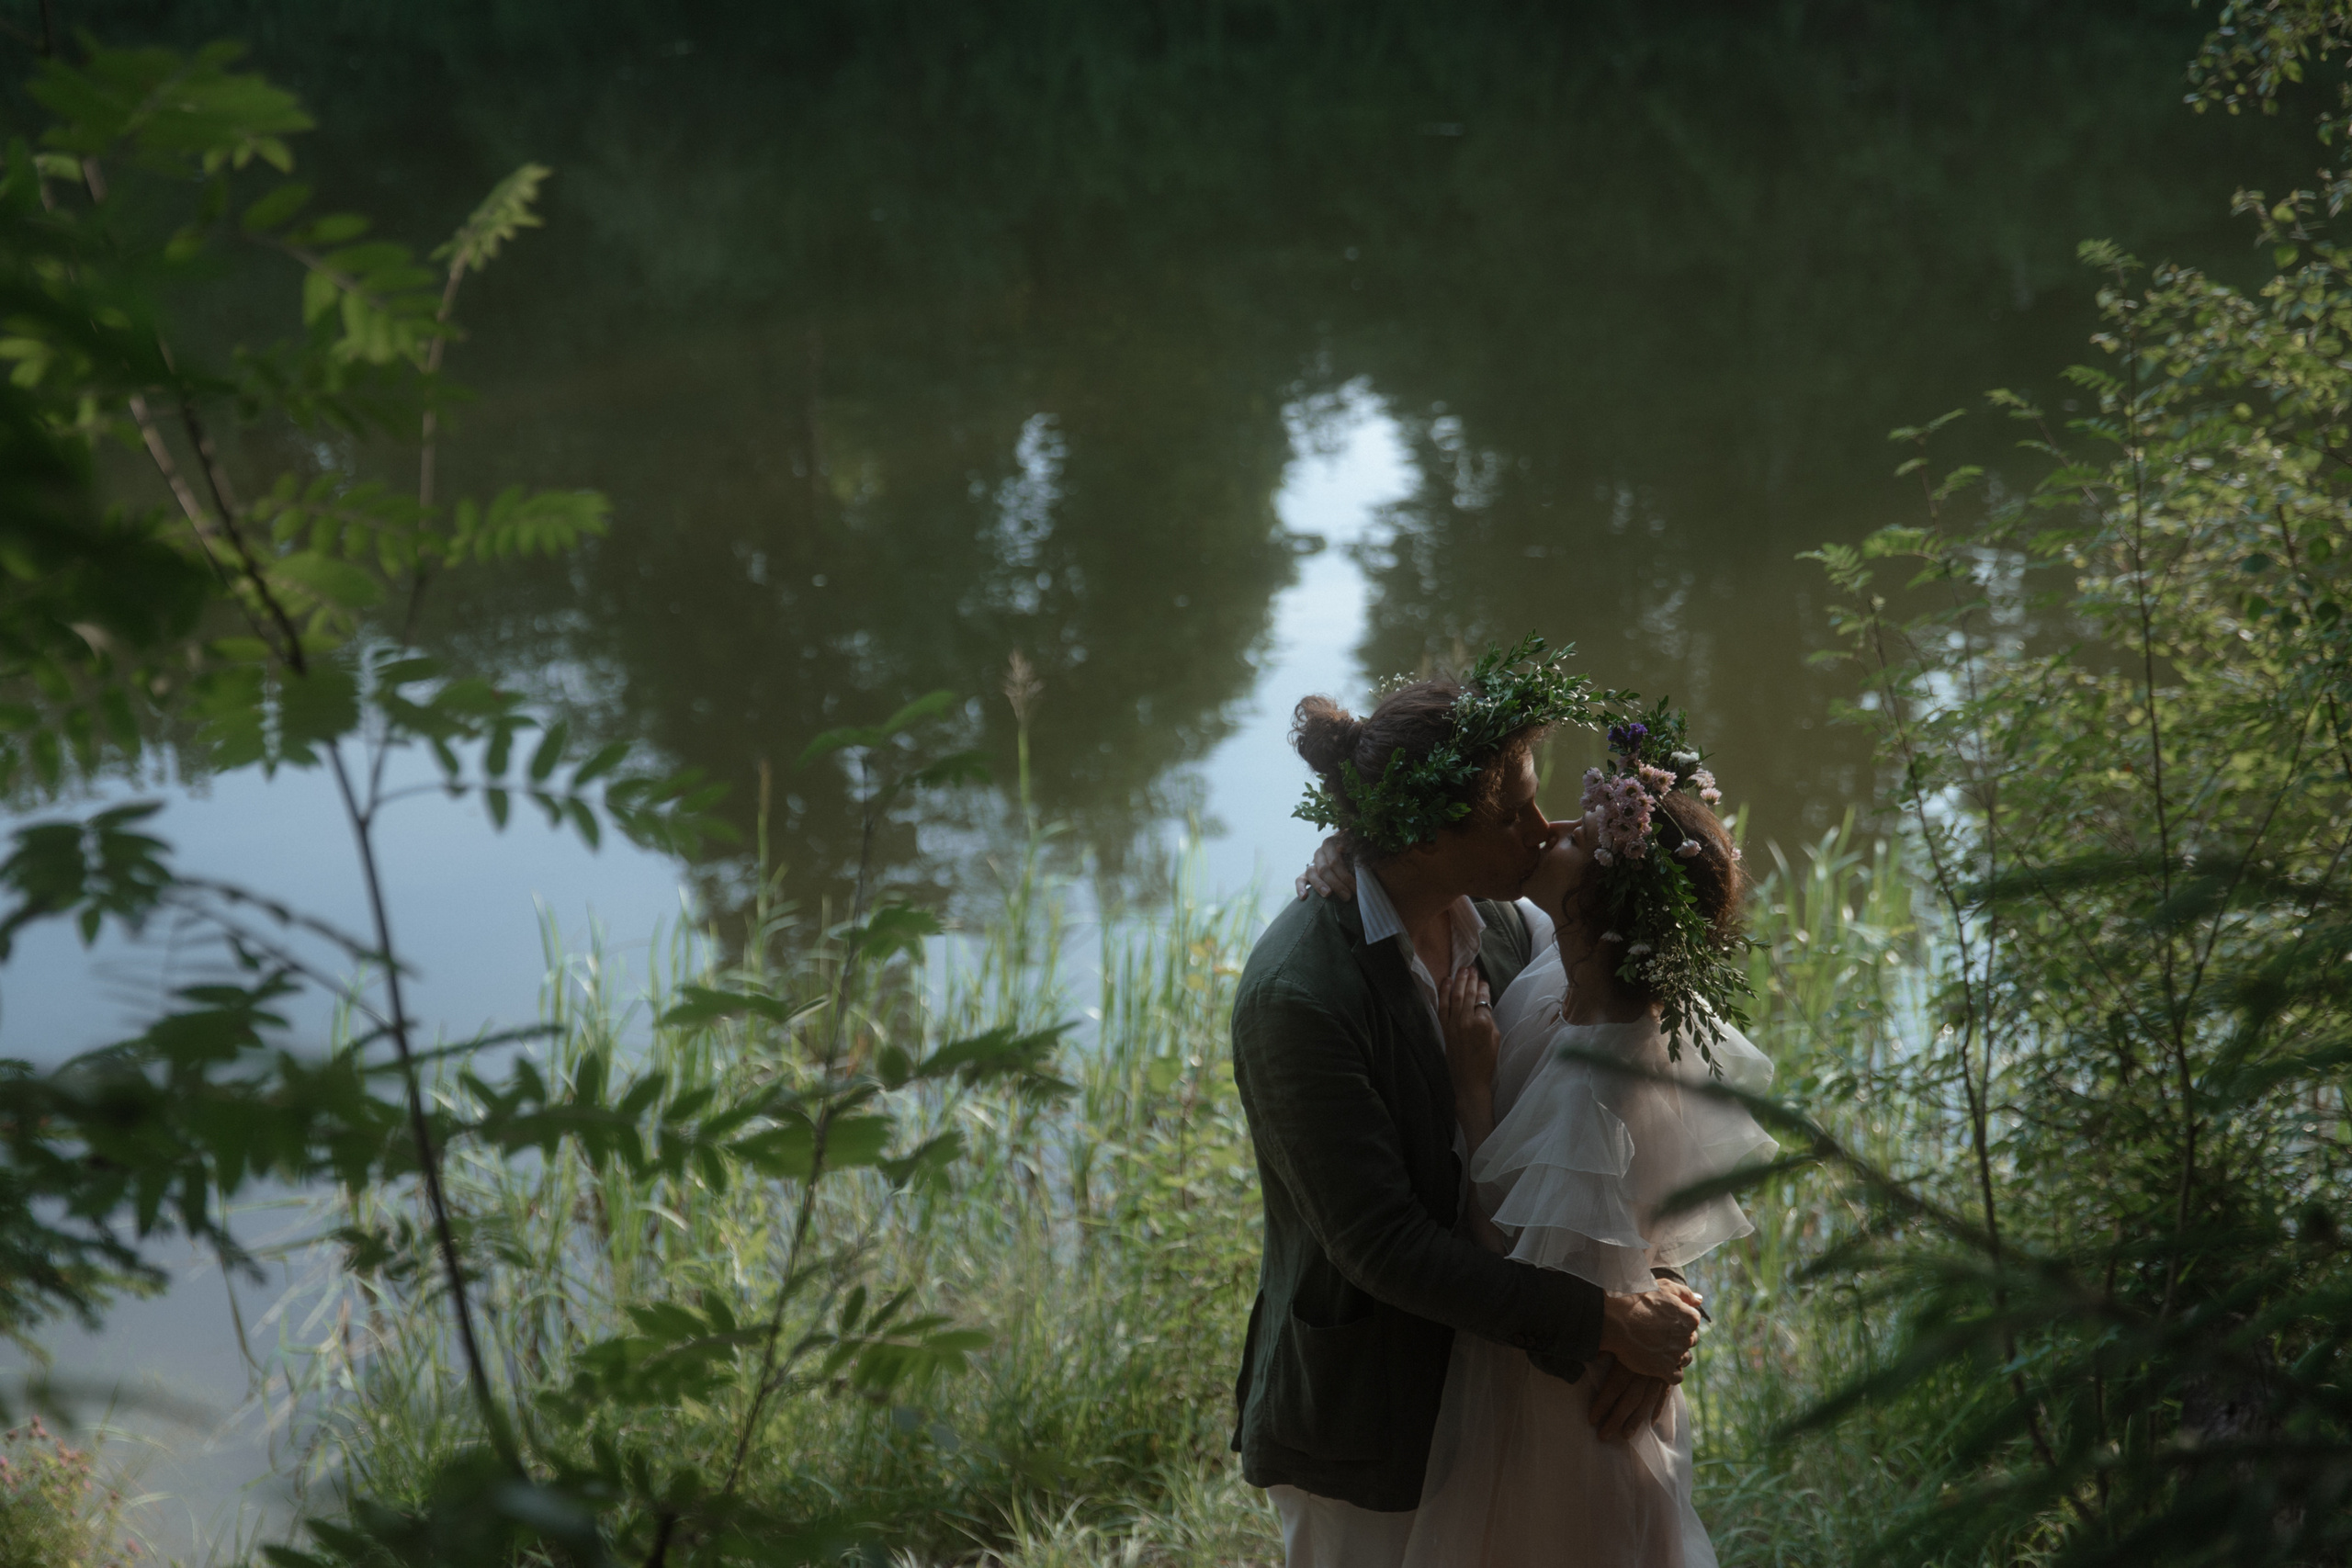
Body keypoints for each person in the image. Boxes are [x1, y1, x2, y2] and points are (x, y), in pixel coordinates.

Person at [1230, 637, 1707, 1568]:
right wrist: (1608, 1324)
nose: (1543, 828)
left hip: (1518, 1396)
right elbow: (1382, 1247)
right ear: (1425, 838)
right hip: (1378, 1415)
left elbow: (1618, 1122)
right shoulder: (1298, 996)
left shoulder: (1509, 923)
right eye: (1513, 812)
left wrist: (1658, 1300)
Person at [1301, 707, 1777, 1567]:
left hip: (1563, 1398)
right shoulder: (1559, 962)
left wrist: (1474, 1090)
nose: (1549, 826)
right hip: (1560, 1351)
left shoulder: (1608, 1049)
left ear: (1595, 902)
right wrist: (1355, 849)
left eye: (1576, 830)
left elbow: (1522, 1244)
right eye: (1526, 811)